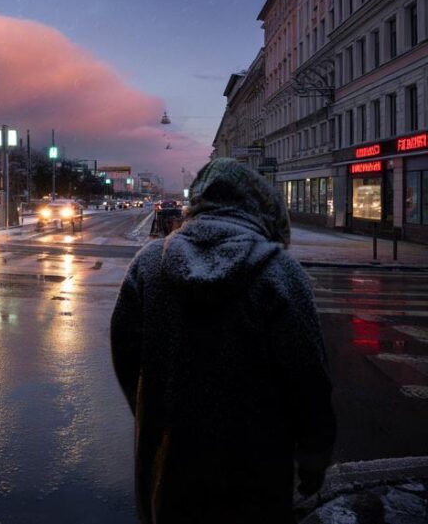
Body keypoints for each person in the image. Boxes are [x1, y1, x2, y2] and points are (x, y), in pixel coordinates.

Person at [110, 158, 335, 523]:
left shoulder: (149, 266)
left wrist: (157, 412)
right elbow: (309, 377)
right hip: (259, 470)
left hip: (169, 467)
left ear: (198, 202)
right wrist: (313, 458)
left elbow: (126, 359)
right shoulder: (281, 273)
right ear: (261, 208)